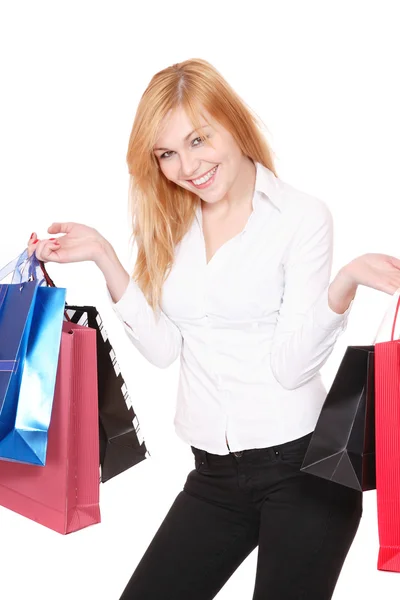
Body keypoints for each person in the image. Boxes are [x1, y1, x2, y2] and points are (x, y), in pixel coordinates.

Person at [27, 58, 400, 600]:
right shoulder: (174, 224)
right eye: (168, 154)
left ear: (233, 122)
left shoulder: (300, 216)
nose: (187, 166)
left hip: (304, 471)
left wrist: (340, 287)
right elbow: (163, 350)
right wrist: (106, 259)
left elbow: (291, 366)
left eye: (199, 140)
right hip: (214, 478)